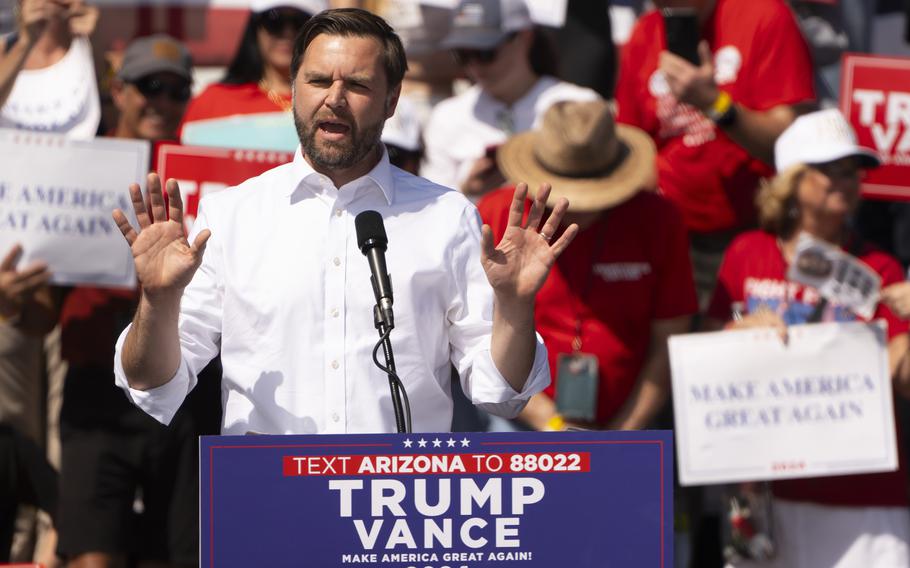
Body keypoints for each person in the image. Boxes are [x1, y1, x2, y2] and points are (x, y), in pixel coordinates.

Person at [111, 8, 576, 434]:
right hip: (266, 501)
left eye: (356, 85)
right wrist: (157, 299)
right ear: (293, 89)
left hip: (397, 506)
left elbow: (502, 392)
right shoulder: (231, 215)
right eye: (317, 81)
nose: (334, 99)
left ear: (391, 100)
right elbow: (152, 383)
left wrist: (514, 307)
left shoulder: (447, 217)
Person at [707, 109, 910, 567]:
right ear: (792, 181)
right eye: (830, 170)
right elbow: (700, 356)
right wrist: (735, 333)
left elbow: (904, 376)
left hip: (863, 496)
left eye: (853, 172)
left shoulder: (880, 268)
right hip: (765, 496)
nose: (848, 181)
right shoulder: (747, 253)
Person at [54, 35, 207, 568]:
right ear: (117, 91)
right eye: (149, 87)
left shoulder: (214, 177)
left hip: (189, 391)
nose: (161, 101)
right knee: (93, 556)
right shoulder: (69, 166)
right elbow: (33, 317)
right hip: (97, 388)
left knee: (181, 557)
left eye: (175, 90)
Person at [479, 100, 698, 431]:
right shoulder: (499, 215)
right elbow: (477, 334)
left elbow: (668, 342)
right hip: (518, 419)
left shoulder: (659, 219)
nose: (575, 207)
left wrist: (622, 434)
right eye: (564, 196)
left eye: (591, 196)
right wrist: (553, 425)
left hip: (631, 420)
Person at [614, 0, 816, 306]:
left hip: (751, 233)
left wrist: (714, 104)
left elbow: (792, 141)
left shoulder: (762, 14)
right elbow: (634, 145)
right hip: (670, 237)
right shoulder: (645, 32)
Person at [420, 0, 599, 200]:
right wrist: (467, 190)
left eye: (486, 52)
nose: (474, 66)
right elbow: (431, 207)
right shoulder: (446, 117)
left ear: (524, 36)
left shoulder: (579, 105)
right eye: (462, 54)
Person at [179, 0, 326, 131]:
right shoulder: (213, 102)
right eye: (274, 20)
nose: (287, 33)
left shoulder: (334, 103)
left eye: (300, 22)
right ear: (255, 27)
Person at [0, 0, 99, 137]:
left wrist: (97, 30)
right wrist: (25, 42)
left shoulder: (89, 39)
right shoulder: (5, 48)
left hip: (80, 157)